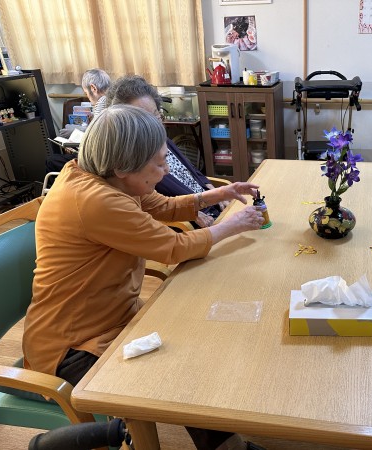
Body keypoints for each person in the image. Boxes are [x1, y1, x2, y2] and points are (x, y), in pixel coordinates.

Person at [23, 105, 265, 450]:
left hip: (115, 317)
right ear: (123, 167)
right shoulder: (96, 200)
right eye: (160, 163)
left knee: (191, 348)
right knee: (176, 371)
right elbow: (174, 247)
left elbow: (161, 206)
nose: (165, 170)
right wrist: (233, 225)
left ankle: (224, 445)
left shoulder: (101, 177)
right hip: (74, 345)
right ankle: (135, 433)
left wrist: (217, 194)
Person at [106, 75, 222, 228]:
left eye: (156, 115)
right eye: (145, 120)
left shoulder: (163, 140)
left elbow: (191, 171)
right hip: (197, 222)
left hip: (210, 205)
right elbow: (152, 208)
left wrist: (214, 192)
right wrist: (189, 212)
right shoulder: (133, 164)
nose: (156, 125)